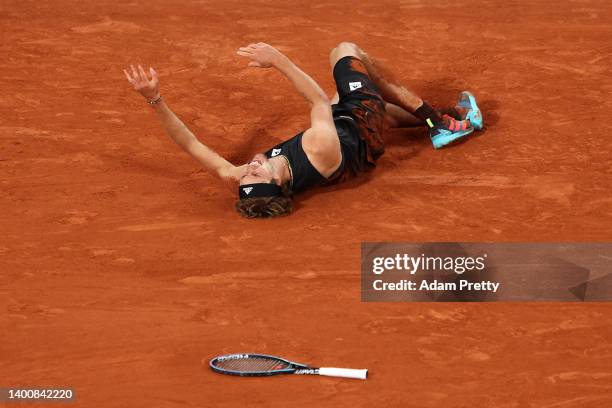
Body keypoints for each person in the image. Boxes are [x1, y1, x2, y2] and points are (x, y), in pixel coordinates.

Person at [124, 42, 483, 218]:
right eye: (257, 170)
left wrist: (154, 99)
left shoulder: (247, 181)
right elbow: (316, 102)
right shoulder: (317, 148)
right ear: (279, 182)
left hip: (350, 139)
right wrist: (277, 59)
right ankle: (441, 124)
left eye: (246, 172)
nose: (250, 165)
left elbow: (191, 145)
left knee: (385, 111)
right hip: (359, 126)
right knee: (345, 53)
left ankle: (420, 117)